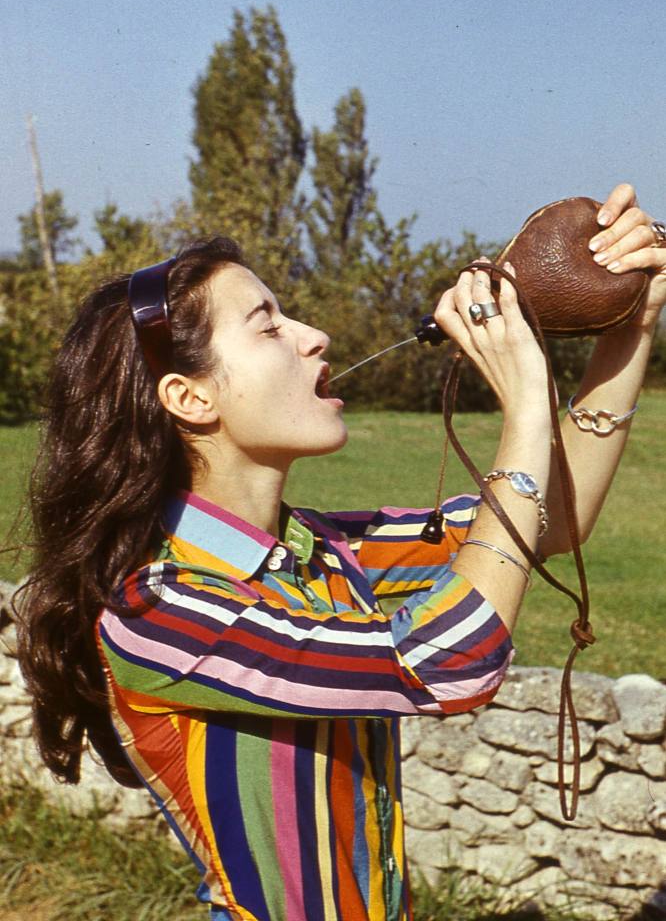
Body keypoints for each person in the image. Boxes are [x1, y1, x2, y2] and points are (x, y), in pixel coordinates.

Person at [16, 183, 665, 921]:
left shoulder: (321, 549)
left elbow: (541, 525)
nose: (314, 335)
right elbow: (451, 662)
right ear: (189, 398)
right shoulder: (156, 607)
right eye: (268, 327)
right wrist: (523, 407)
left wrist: (629, 332)